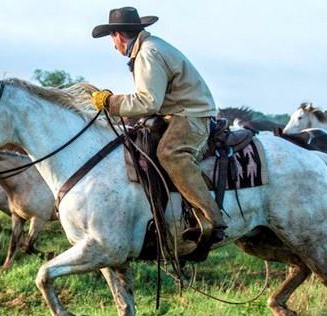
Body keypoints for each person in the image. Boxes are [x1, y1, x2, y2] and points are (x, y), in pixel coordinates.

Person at [91, 6, 226, 261]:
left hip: (191, 114)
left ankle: (212, 218)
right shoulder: (149, 47)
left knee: (170, 154)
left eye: (112, 38)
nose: (113, 45)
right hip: (178, 111)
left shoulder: (147, 54)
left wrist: (111, 102)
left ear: (119, 35)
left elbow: (149, 101)